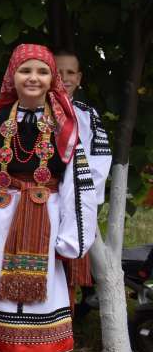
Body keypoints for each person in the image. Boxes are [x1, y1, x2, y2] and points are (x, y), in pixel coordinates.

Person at [0, 44, 98, 352]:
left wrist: (72, 235)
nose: (33, 78)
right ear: (12, 76)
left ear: (52, 78)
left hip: (47, 213)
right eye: (26, 70)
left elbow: (75, 182)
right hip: (4, 214)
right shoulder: (0, 121)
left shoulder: (64, 124)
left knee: (44, 290)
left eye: (42, 71)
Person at [54, 49, 111, 295]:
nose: (64, 78)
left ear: (78, 78)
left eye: (70, 72)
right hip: (41, 199)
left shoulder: (88, 116)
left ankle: (68, 311)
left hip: (75, 200)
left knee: (67, 271)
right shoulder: (35, 111)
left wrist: (84, 199)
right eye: (58, 72)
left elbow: (100, 163)